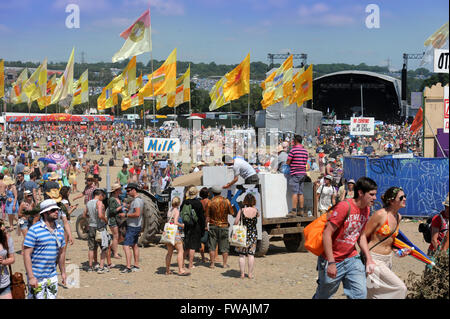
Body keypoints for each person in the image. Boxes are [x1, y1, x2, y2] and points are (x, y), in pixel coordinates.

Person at [313, 177, 378, 299]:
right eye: (372, 194)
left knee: (359, 294)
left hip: (351, 258)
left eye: (375, 194)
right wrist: (331, 262)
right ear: (360, 193)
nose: (375, 198)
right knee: (324, 295)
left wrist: (369, 258)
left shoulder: (367, 209)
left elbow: (361, 235)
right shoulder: (344, 207)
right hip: (332, 259)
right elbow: (327, 233)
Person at [360, 187, 410, 299]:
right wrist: (368, 259)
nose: (405, 199)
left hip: (388, 260)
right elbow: (363, 236)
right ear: (391, 201)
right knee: (400, 288)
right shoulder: (380, 215)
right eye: (401, 197)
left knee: (372, 294)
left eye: (405, 196)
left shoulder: (398, 217)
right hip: (374, 260)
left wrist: (397, 251)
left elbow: (390, 240)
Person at [23, 199, 66, 299]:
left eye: (57, 210)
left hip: (52, 276)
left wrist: (63, 272)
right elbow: (26, 255)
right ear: (45, 213)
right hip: (36, 276)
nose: (57, 212)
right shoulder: (34, 230)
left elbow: (61, 253)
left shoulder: (60, 229)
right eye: (53, 210)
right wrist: (31, 277)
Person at [205, 185, 234, 269]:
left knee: (212, 246)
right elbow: (231, 212)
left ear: (213, 192)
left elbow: (207, 216)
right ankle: (224, 264)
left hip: (213, 225)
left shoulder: (210, 202)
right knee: (225, 246)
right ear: (220, 192)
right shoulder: (226, 201)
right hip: (224, 225)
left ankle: (212, 264)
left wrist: (206, 225)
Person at [234, 193, 259, 279]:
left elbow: (236, 222)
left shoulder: (242, 210)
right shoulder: (256, 211)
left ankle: (242, 274)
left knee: (242, 255)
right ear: (253, 201)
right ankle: (250, 274)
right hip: (253, 234)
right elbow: (257, 218)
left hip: (243, 234)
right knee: (251, 255)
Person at [83, 188, 108, 273]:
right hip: (99, 227)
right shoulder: (99, 203)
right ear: (100, 195)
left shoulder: (88, 202)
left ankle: (90, 266)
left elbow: (84, 214)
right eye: (103, 196)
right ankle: (101, 267)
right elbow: (101, 215)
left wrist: (90, 219)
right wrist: (106, 220)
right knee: (103, 247)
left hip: (91, 226)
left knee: (91, 248)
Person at [119, 183, 143, 274]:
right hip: (137, 226)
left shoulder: (136, 201)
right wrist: (129, 207)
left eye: (129, 190)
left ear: (134, 190)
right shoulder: (139, 200)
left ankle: (128, 267)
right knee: (134, 245)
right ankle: (136, 265)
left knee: (126, 246)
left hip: (133, 226)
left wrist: (125, 214)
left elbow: (136, 214)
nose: (127, 192)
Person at [180, 186, 206, 271]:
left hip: (187, 226)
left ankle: (182, 263)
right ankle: (190, 264)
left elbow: (181, 212)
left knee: (186, 246)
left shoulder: (185, 202)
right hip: (196, 226)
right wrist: (203, 228)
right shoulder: (198, 203)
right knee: (193, 246)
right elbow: (202, 217)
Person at [165, 196, 189, 276]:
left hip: (168, 233)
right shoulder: (176, 211)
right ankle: (180, 270)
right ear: (179, 203)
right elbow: (175, 222)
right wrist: (182, 225)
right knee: (180, 251)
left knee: (169, 252)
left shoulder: (169, 210)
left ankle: (167, 270)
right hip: (175, 233)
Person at [286, 135, 309, 217]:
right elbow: (305, 162)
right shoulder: (305, 151)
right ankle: (301, 211)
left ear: (295, 141)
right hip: (303, 173)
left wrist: (290, 163)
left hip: (295, 173)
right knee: (301, 193)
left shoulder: (293, 150)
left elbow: (288, 162)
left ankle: (294, 211)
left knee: (295, 192)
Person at [0, 218, 15, 299]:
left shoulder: (6, 238)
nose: (3, 228)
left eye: (2, 225)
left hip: (4, 282)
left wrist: (4, 261)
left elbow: (12, 258)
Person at [108, 183, 123, 259]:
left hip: (118, 219)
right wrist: (119, 208)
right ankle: (115, 253)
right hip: (113, 220)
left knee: (120, 236)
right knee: (116, 236)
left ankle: (110, 248)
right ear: (116, 191)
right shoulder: (112, 199)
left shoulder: (119, 198)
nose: (121, 190)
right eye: (120, 189)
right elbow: (111, 211)